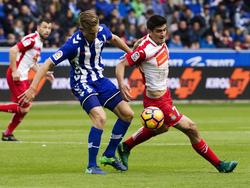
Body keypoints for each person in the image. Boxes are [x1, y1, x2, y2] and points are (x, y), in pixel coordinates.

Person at [116, 15, 238, 173]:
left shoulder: (152, 40)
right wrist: (121, 84)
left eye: (165, 30)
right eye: (159, 31)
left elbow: (142, 40)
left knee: (161, 128)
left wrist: (139, 42)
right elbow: (121, 64)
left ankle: (125, 146)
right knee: (191, 128)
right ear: (150, 31)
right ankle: (220, 165)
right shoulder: (145, 50)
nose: (163, 34)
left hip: (164, 94)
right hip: (157, 101)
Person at [19, 10, 134, 175]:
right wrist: (32, 88)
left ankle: (109, 155)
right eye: (92, 33)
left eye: (97, 30)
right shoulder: (72, 44)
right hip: (81, 82)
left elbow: (114, 38)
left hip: (99, 80)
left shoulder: (101, 31)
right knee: (100, 117)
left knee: (127, 114)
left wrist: (131, 54)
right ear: (83, 29)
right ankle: (91, 166)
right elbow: (46, 65)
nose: (96, 34)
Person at [0, 18, 53, 141]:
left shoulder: (39, 42)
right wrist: (14, 70)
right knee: (24, 108)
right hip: (17, 76)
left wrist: (44, 73)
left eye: (49, 28)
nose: (47, 30)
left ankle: (8, 133)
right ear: (38, 27)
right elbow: (13, 50)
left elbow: (32, 63)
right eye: (44, 27)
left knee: (24, 108)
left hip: (22, 76)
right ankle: (7, 133)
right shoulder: (32, 39)